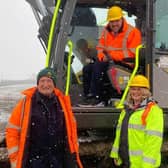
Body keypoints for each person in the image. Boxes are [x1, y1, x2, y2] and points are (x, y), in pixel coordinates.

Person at [6, 67, 83, 168]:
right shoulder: (26, 104)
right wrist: (15, 159)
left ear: (54, 85)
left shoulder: (63, 103)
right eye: (42, 81)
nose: (45, 85)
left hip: (57, 160)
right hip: (34, 162)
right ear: (37, 84)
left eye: (49, 81)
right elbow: (12, 131)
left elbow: (71, 132)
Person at [89, 6, 142, 105]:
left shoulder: (133, 32)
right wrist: (101, 56)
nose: (114, 24)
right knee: (88, 68)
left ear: (122, 19)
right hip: (110, 61)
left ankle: (98, 98)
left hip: (125, 64)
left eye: (116, 21)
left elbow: (132, 53)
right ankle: (89, 96)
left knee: (98, 67)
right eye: (111, 21)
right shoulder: (106, 31)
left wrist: (111, 56)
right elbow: (100, 47)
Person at [110, 75, 164, 167]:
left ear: (146, 92)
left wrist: (147, 165)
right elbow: (120, 134)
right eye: (133, 89)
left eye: (139, 89)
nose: (135, 92)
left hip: (141, 165)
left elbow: (153, 142)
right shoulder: (126, 110)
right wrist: (116, 154)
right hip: (126, 162)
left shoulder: (154, 111)